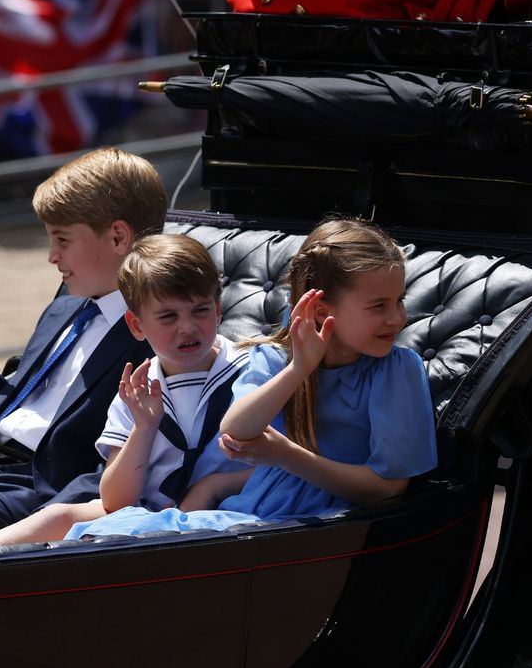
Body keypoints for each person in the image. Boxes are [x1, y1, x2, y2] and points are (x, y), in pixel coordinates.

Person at [66, 218, 438, 540]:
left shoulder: (396, 371)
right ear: (322, 311)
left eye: (399, 301)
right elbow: (236, 431)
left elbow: (388, 488)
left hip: (315, 523)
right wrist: (298, 370)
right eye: (379, 306)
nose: (398, 318)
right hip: (249, 512)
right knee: (102, 533)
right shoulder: (276, 359)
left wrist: (288, 456)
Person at [0, 147, 167, 538]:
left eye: (62, 240)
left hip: (37, 491)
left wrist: (50, 520)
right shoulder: (66, 306)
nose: (51, 256)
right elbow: (16, 410)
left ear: (117, 237)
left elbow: (115, 464)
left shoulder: (154, 336)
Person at [0, 234, 252, 547]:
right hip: (143, 512)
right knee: (57, 516)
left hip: (227, 514)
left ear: (217, 309)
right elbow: (116, 500)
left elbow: (281, 465)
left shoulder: (250, 370)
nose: (187, 327)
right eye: (168, 316)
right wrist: (144, 429)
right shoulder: (138, 389)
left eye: (200, 311)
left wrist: (214, 486)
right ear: (137, 326)